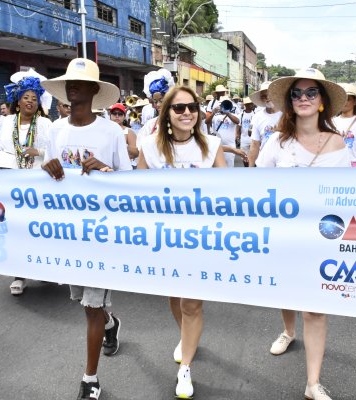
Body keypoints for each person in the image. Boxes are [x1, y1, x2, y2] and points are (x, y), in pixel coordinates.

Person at [256, 68, 350, 400]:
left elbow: (346, 196)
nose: (303, 99)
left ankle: (313, 383)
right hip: (283, 236)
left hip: (322, 238)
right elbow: (257, 186)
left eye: (311, 93)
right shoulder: (277, 142)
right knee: (286, 292)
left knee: (314, 308)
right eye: (296, 94)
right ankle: (287, 330)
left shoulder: (338, 143)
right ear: (289, 102)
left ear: (322, 102)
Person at [41, 58, 132, 400]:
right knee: (84, 302)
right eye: (69, 82)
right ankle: (111, 323)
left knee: (92, 306)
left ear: (95, 90)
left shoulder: (111, 132)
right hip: (69, 232)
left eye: (80, 83)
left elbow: (128, 182)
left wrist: (107, 169)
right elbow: (45, 181)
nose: (72, 87)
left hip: (102, 233)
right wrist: (46, 168)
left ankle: (90, 380)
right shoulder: (54, 130)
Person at [137, 86, 226, 399]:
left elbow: (229, 193)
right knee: (175, 297)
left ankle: (185, 367)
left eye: (192, 107)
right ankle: (187, 337)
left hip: (200, 239)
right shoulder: (149, 147)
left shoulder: (213, 145)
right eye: (179, 108)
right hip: (164, 240)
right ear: (167, 115)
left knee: (191, 302)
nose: (187, 112)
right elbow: (135, 192)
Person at [0, 71, 52, 294]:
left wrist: (38, 151)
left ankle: (43, 267)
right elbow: (2, 150)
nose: (30, 102)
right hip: (12, 184)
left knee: (37, 229)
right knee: (15, 231)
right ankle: (19, 275)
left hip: (36, 184)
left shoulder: (44, 124)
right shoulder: (6, 122)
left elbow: (53, 151)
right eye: (26, 97)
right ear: (18, 100)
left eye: (34, 98)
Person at [136, 68, 175, 148]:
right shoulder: (150, 125)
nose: (158, 105)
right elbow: (141, 148)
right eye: (155, 101)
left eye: (162, 100)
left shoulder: (181, 121)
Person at [333, 83, 356, 167]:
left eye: (347, 99)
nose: (344, 102)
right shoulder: (331, 122)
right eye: (341, 99)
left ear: (355, 101)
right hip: (337, 165)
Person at [248, 81, 283, 167]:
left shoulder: (287, 113)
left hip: (284, 163)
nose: (267, 98)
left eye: (270, 94)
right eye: (264, 96)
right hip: (264, 164)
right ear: (261, 99)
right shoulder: (257, 117)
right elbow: (255, 145)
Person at [211, 96, 247, 167]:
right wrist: (213, 113)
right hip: (218, 146)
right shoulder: (216, 116)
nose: (223, 107)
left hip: (230, 147)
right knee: (218, 167)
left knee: (229, 167)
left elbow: (237, 121)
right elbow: (207, 122)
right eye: (222, 105)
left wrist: (227, 113)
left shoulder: (232, 115)